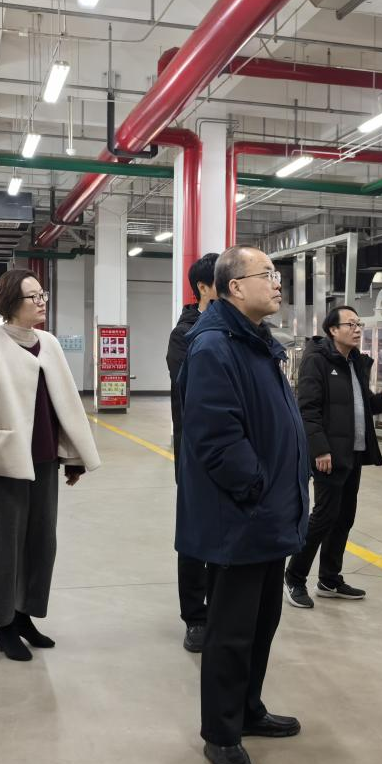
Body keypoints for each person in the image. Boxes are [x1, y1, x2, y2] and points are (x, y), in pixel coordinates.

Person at [175, 245, 309, 764]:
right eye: (267, 274)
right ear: (234, 287)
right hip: (240, 518)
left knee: (261, 624)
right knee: (230, 632)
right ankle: (221, 733)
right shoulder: (214, 346)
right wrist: (255, 489)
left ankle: (248, 709)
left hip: (267, 515)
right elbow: (216, 437)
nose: (277, 284)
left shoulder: (255, 342)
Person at [0, 269, 101, 661]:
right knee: (2, 548)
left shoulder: (49, 343)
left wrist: (72, 456)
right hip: (3, 465)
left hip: (44, 462)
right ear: (10, 303)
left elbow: (65, 403)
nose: (41, 302)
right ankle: (3, 626)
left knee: (41, 545)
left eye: (43, 295)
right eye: (33, 297)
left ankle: (23, 616)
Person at [285, 305, 382, 608]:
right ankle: (294, 576)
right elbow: (308, 409)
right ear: (333, 330)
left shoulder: (356, 362)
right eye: (351, 324)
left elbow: (364, 406)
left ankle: (329, 578)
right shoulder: (317, 361)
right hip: (329, 454)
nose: (357, 329)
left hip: (353, 453)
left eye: (359, 323)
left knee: (344, 517)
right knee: (323, 517)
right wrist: (320, 449)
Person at [165, 252, 219, 653]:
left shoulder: (244, 330)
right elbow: (196, 395)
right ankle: (195, 617)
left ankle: (221, 609)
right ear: (203, 287)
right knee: (196, 535)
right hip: (197, 452)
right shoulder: (185, 335)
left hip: (236, 453)